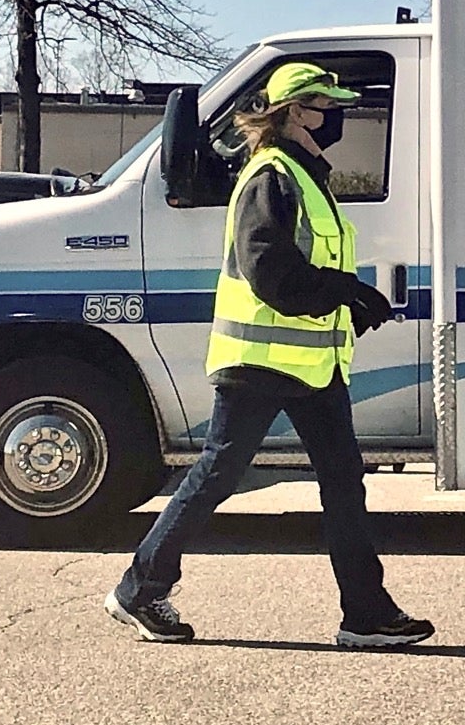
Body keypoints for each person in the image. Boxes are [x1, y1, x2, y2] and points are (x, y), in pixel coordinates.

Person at [106, 62, 433, 648]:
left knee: (342, 480)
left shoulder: (306, 175)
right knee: (218, 473)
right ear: (294, 113)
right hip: (260, 363)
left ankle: (365, 614)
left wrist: (348, 302)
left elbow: (299, 270)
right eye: (326, 105)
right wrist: (342, 290)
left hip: (311, 365)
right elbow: (269, 272)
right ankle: (139, 587)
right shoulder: (272, 175)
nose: (338, 114)